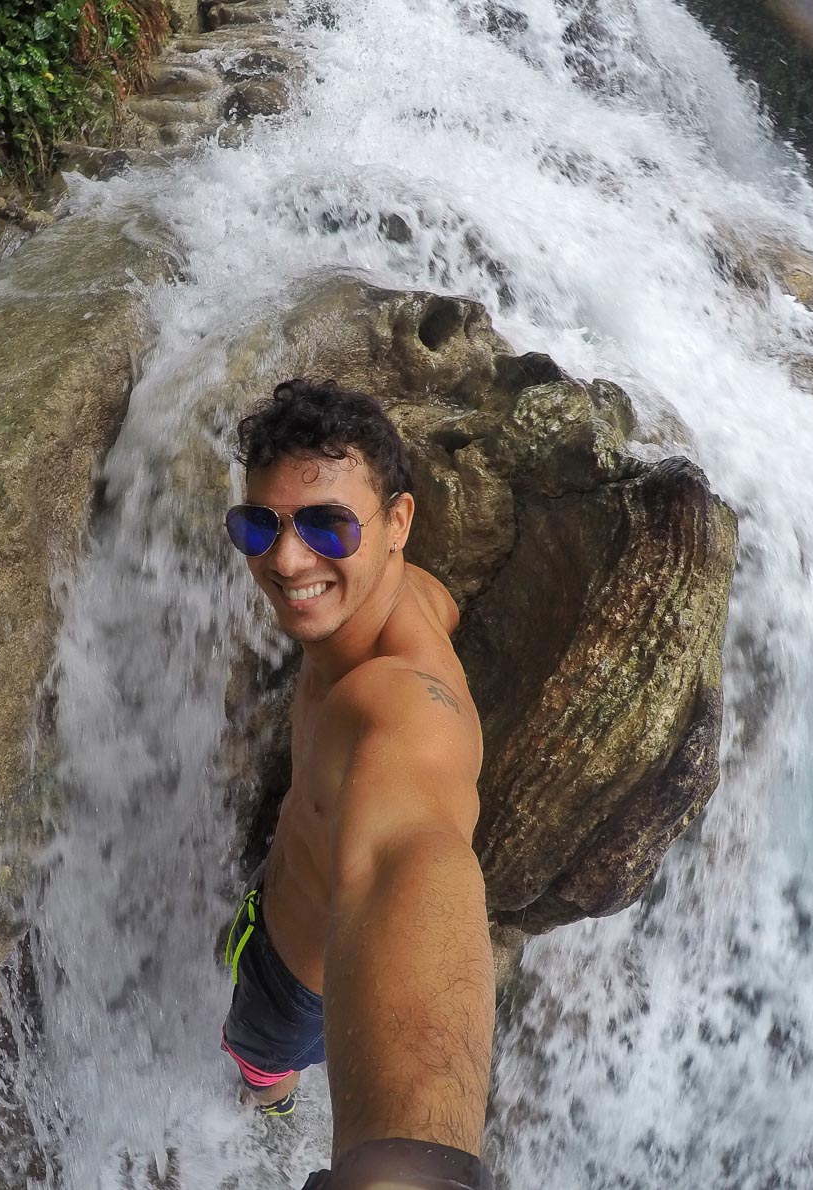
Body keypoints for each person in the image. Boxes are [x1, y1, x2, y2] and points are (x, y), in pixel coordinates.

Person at [218, 378, 497, 1190]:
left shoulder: (399, 712)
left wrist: (409, 1174)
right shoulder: (414, 593)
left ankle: (268, 1096)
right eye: (258, 526)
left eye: (327, 525)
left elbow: (407, 864)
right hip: (285, 909)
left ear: (398, 522)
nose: (288, 559)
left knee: (256, 1055)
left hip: (296, 987)